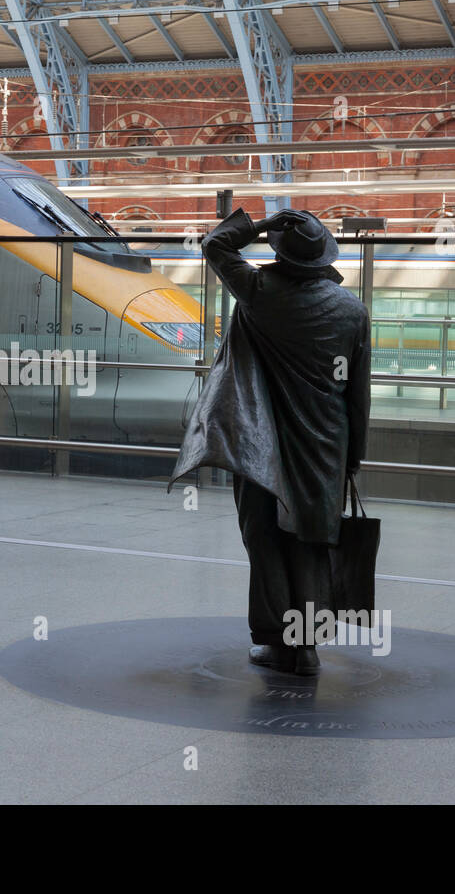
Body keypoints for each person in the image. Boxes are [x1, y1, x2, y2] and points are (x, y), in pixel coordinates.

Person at [169, 209, 371, 677]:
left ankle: (278, 643)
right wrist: (353, 454)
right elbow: (357, 393)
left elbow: (215, 245)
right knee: (311, 539)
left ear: (281, 255)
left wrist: (261, 226)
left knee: (264, 537)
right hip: (326, 444)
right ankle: (307, 648)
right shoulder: (352, 311)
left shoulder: (259, 291)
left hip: (258, 440)